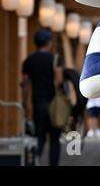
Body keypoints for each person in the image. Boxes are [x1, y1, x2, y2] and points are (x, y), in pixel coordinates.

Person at [21, 29, 64, 166]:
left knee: (39, 138)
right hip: (54, 105)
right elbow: (59, 81)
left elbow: (26, 86)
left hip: (38, 104)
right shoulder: (55, 59)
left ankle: (35, 161)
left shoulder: (28, 61)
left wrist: (26, 104)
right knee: (54, 139)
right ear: (49, 42)